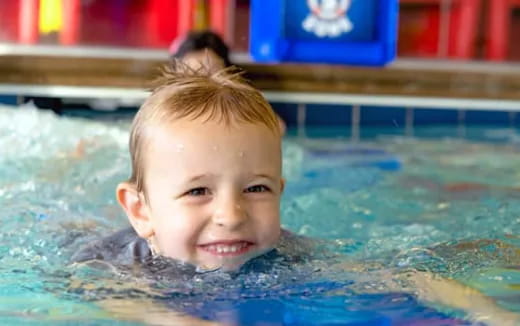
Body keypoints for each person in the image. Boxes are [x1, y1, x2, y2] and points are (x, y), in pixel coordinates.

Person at [71, 62, 519, 326]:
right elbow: (89, 289)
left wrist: (495, 315)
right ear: (140, 210)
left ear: (280, 191)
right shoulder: (114, 264)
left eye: (256, 188)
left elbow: (398, 277)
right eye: (198, 191)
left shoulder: (286, 253)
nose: (231, 214)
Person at [170, 30, 287, 134]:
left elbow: (278, 129)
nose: (202, 81)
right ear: (176, 75)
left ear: (227, 72)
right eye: (192, 73)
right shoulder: (166, 110)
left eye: (211, 72)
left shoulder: (237, 102)